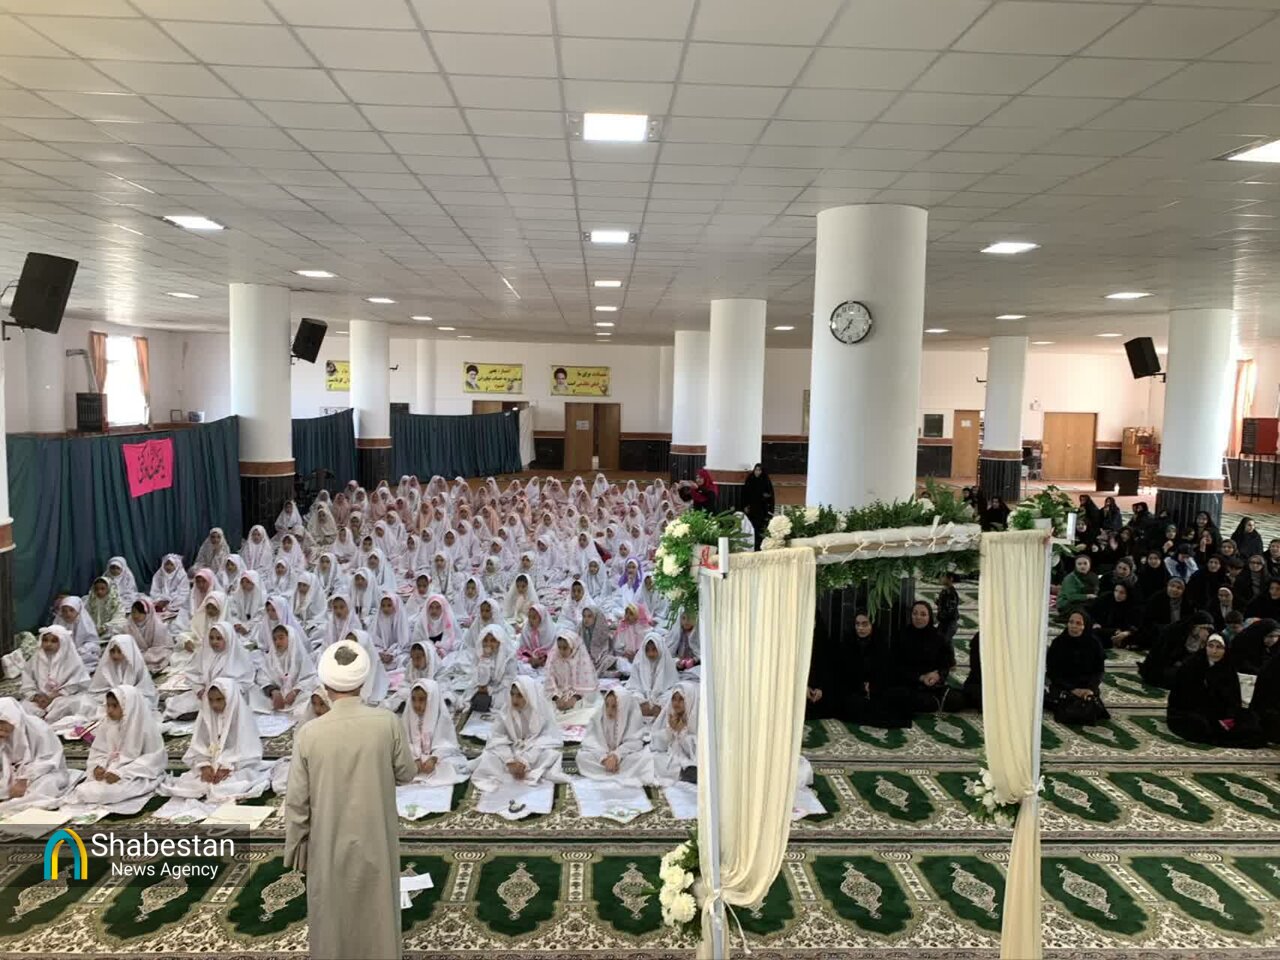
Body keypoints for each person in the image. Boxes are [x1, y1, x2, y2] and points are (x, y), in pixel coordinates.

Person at [284, 640, 417, 960]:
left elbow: (297, 803)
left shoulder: (310, 733)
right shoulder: (386, 722)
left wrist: (296, 849)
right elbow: (406, 773)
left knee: (333, 912)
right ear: (364, 679)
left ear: (326, 683)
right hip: (375, 836)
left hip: (328, 840)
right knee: (376, 910)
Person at [162, 679, 271, 801]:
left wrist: (227, 767)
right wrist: (204, 766)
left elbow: (249, 753)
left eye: (219, 700)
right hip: (212, 763)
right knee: (193, 784)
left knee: (227, 786)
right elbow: (199, 745)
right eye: (211, 700)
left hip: (237, 766)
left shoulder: (242, 718)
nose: (214, 705)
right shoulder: (206, 715)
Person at [60, 685, 167, 809]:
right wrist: (98, 767)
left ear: (129, 707)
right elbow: (99, 751)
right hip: (109, 773)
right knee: (84, 790)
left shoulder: (145, 727)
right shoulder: (107, 724)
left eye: (115, 706)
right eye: (108, 706)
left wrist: (121, 773)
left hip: (137, 775)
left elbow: (153, 760)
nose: (110, 711)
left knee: (107, 792)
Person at [1167, 634, 1266, 748]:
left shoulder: (1227, 666)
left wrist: (1230, 717)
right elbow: (1185, 699)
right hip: (1191, 711)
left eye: (1219, 647)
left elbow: (1233, 698)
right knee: (1200, 725)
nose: (1214, 651)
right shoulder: (1191, 665)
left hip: (1220, 712)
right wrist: (1214, 719)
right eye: (1210, 646)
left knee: (1252, 721)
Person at [470, 676, 567, 792]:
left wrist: (525, 761)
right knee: (489, 756)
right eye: (512, 694)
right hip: (510, 750)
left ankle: (524, 771)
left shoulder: (540, 711)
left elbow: (548, 738)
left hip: (532, 751)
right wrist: (509, 761)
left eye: (520, 696)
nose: (514, 700)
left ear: (529, 695)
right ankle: (513, 770)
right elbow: (497, 737)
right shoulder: (506, 711)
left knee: (550, 754)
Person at [0, 698, 80, 813]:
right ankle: (13, 802)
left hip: (43, 773)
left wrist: (24, 779)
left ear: (14, 719)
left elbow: (48, 760)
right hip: (13, 772)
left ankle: (13, 805)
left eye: (3, 723)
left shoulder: (39, 728)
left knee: (46, 786)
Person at [400, 679, 470, 786]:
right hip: (414, 758)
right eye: (413, 699)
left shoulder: (442, 717)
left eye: (422, 700)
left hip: (436, 758)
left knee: (448, 768)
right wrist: (415, 758)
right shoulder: (408, 716)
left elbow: (447, 744)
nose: (416, 704)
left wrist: (434, 758)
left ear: (432, 700)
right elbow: (404, 742)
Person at [1045, 612, 1109, 726]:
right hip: (1063, 686)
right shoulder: (1059, 643)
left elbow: (1099, 671)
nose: (1073, 626)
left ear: (1085, 626)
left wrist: (1090, 688)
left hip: (1086, 686)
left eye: (1078, 623)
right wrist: (1072, 689)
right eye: (1071, 622)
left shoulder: (1094, 644)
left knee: (1088, 702)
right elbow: (1052, 673)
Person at [577, 688, 650, 787]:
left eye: (614, 707)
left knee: (642, 758)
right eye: (607, 705)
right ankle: (613, 769)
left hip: (623, 757)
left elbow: (634, 743)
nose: (609, 710)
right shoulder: (598, 717)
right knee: (582, 757)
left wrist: (616, 755)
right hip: (603, 757)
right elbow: (592, 741)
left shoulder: (631, 718)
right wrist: (604, 758)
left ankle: (610, 770)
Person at [20, 626, 91, 720]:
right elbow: (27, 680)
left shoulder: (72, 660)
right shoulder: (35, 659)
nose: (48, 644)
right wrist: (36, 697)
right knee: (24, 707)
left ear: (63, 643)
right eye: (45, 640)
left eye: (54, 641)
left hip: (63, 697)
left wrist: (54, 697)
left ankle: (48, 718)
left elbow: (76, 683)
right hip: (40, 698)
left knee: (66, 705)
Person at [1139, 611, 1213, 689]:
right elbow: (1163, 658)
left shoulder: (1199, 639)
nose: (1207, 633)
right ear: (1197, 627)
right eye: (1206, 629)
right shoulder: (1175, 633)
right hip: (1161, 669)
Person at [650, 682, 698, 786]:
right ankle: (682, 773)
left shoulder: (696, 718)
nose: (676, 703)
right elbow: (656, 745)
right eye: (674, 699)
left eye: (681, 699)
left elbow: (697, 750)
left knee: (690, 766)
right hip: (670, 759)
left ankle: (688, 773)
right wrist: (670, 731)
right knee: (651, 759)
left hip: (689, 760)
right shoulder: (670, 715)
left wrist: (681, 733)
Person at [544, 630, 598, 712]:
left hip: (576, 696)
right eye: (559, 647)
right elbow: (549, 680)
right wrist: (556, 698)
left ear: (573, 647)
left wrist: (574, 699)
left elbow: (585, 687)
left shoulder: (580, 661)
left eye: (565, 648)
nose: (561, 651)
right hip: (557, 694)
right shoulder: (555, 660)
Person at [627, 634, 679, 718]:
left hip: (661, 706)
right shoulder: (638, 664)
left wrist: (659, 703)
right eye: (647, 650)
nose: (650, 654)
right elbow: (633, 687)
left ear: (660, 648)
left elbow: (672, 689)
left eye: (654, 649)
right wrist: (641, 701)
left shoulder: (667, 664)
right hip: (642, 707)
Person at [1090, 582, 1139, 650]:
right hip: (1105, 630)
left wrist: (1127, 633)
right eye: (1116, 591)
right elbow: (1092, 613)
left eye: (1122, 592)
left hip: (1123, 632)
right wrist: (1094, 623)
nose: (1117, 594)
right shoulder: (1106, 599)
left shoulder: (1133, 605)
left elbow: (1136, 625)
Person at [742, 464, 774, 550]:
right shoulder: (750, 479)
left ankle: (760, 546)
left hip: (762, 510)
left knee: (761, 529)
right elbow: (745, 494)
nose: (757, 472)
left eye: (759, 470)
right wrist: (745, 506)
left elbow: (770, 496)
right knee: (752, 527)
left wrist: (765, 497)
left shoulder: (765, 480)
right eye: (756, 470)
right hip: (752, 509)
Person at [935, 572, 960, 643]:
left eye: (944, 577)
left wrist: (939, 616)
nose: (941, 578)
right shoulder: (945, 591)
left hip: (948, 624)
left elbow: (949, 609)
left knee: (943, 644)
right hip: (944, 623)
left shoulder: (951, 593)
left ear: (950, 579)